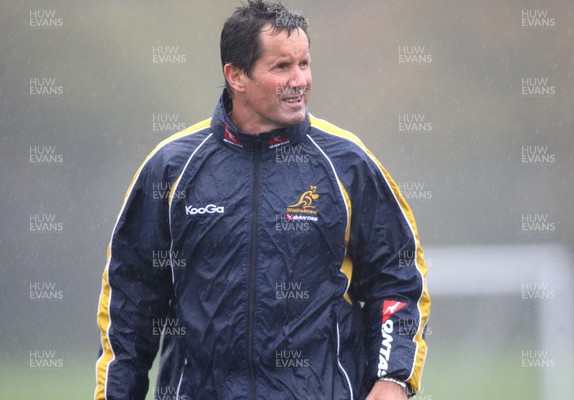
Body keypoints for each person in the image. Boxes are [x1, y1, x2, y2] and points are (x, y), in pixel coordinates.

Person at [94, 1, 430, 399]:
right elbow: (130, 303)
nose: (299, 80)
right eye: (281, 67)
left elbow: (397, 277)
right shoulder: (171, 168)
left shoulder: (348, 163)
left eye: (304, 64)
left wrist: (392, 379)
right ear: (235, 76)